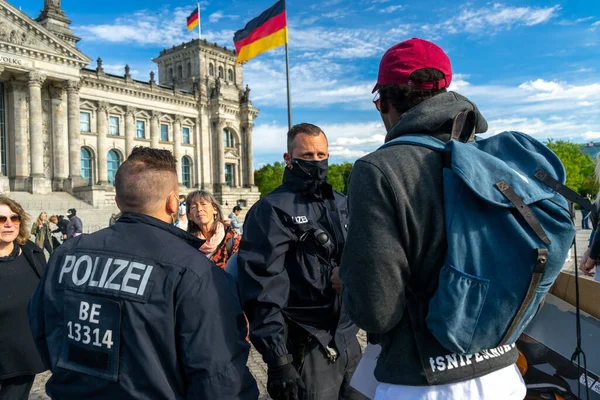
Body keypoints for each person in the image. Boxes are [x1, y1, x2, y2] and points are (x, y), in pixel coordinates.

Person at [339, 38, 526, 400]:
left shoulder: (378, 169)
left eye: (379, 104)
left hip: (425, 383)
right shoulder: (490, 160)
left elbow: (376, 312)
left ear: (389, 103)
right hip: (502, 371)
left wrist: (347, 278)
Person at [28, 147, 258, 399]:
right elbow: (218, 377)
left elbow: (41, 330)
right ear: (174, 202)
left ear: (118, 201)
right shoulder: (196, 271)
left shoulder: (65, 254)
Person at [238, 123, 366, 400]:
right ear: (289, 158)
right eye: (308, 156)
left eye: (322, 155)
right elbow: (261, 289)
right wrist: (278, 360)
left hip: (349, 339)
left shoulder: (341, 203)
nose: (317, 162)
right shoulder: (270, 210)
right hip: (306, 343)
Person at [0, 196, 46, 400]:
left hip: (23, 357)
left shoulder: (33, 252)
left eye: (14, 218)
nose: (9, 224)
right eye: (1, 219)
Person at [187, 190, 239, 269]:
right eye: (193, 207)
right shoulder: (188, 244)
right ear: (190, 216)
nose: (199, 209)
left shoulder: (233, 239)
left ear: (214, 209)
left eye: (203, 204)